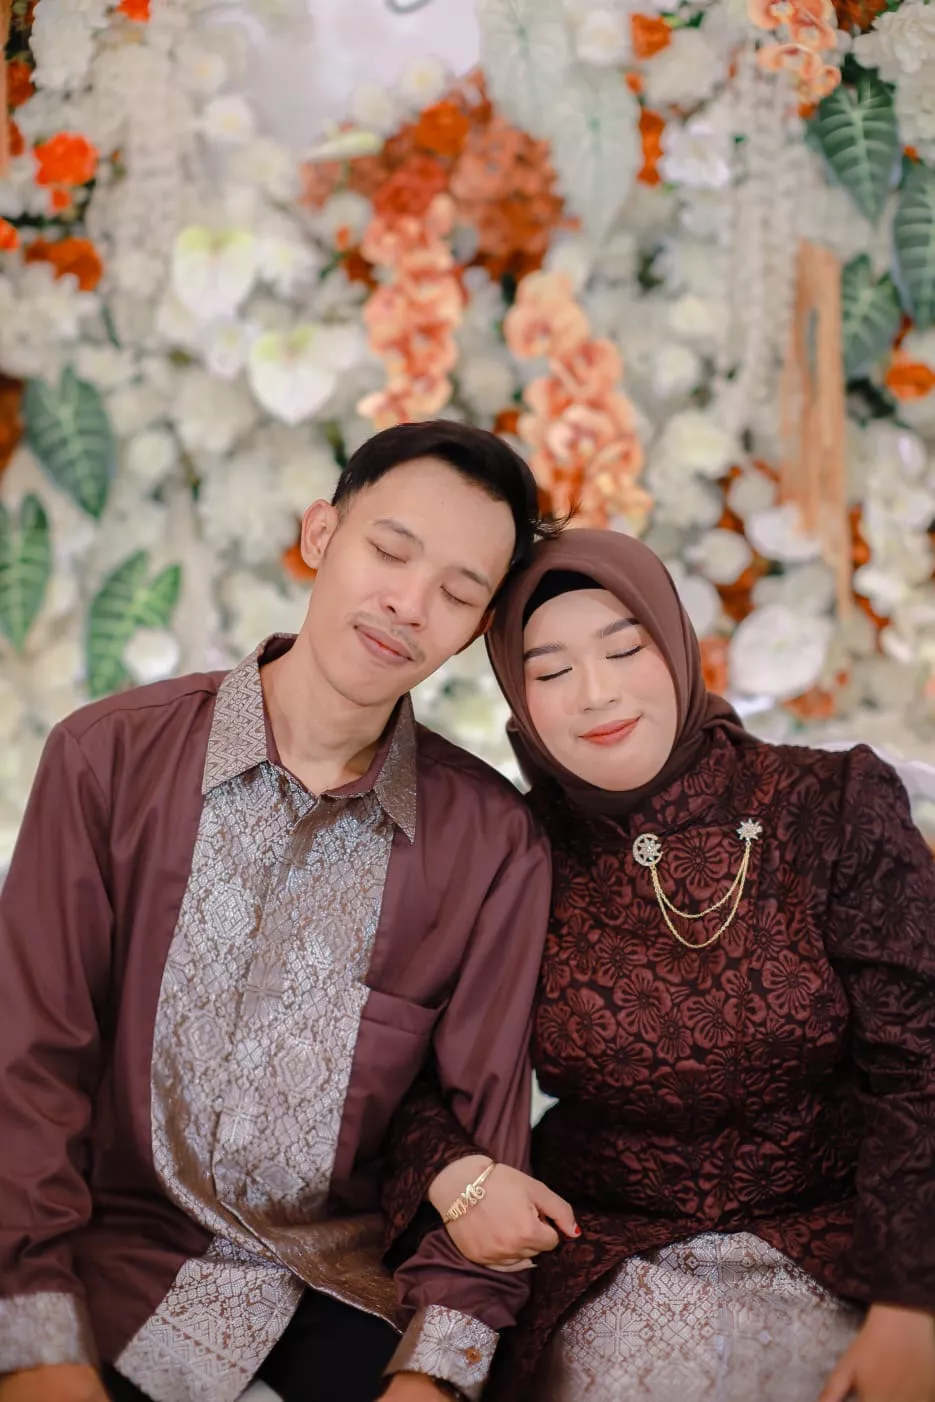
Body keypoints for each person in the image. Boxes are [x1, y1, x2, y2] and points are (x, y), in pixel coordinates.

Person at [0, 421, 577, 1402]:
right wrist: (36, 1343)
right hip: (109, 1272)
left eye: (456, 592)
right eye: (389, 550)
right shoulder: (107, 758)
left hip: (339, 1295)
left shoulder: (490, 845)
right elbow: (28, 1068)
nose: (408, 604)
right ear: (320, 534)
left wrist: (432, 1379)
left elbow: (483, 1151)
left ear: (477, 627)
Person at [402, 528, 935, 1402]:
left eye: (625, 649)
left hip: (848, 1250)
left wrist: (910, 1302)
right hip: (607, 1264)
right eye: (550, 671)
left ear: (679, 649)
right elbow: (408, 1069)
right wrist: (456, 1176)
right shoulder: (514, 848)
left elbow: (919, 1062)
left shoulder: (829, 802)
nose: (597, 693)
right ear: (517, 700)